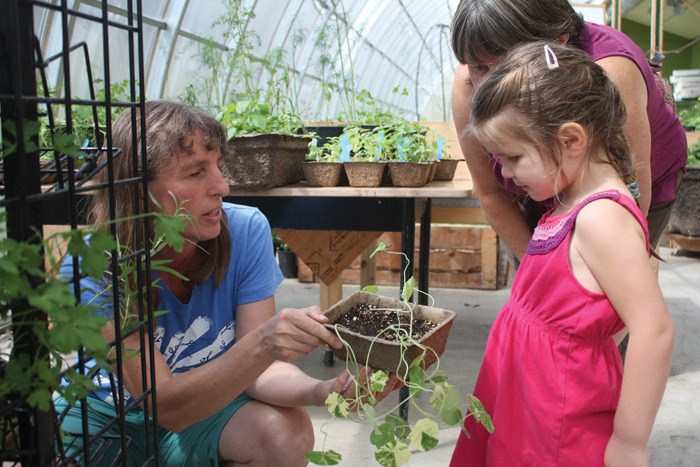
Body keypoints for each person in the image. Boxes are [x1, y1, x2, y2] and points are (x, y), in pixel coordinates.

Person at [54, 100, 396, 466]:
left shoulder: (245, 230)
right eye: (195, 173)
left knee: (288, 432)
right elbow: (164, 405)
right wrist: (263, 343)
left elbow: (258, 373)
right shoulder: (94, 264)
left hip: (206, 409)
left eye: (218, 166)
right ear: (139, 193)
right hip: (107, 417)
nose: (222, 186)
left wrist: (322, 390)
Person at [449, 42, 674, 465]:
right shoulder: (570, 199)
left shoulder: (601, 218)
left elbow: (653, 330)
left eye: (513, 157)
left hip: (557, 421)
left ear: (571, 139)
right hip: (530, 399)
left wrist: (628, 441)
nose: (508, 174)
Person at [450, 0, 687, 262]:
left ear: (559, 41)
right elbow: (490, 192)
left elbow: (631, 197)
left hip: (629, 190)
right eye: (480, 67)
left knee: (613, 278)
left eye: (508, 65)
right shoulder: (469, 85)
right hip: (540, 198)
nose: (491, 83)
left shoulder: (610, 74)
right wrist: (538, 270)